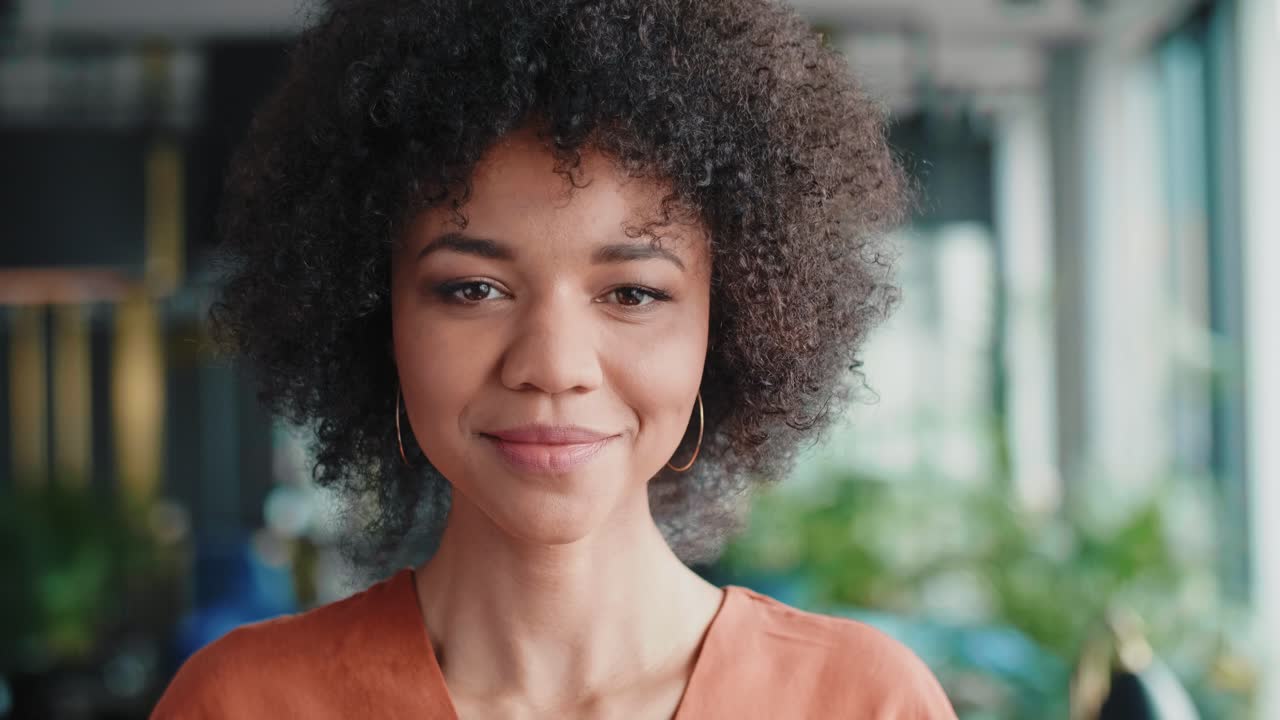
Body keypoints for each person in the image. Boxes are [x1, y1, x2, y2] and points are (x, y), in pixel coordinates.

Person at [152, 0, 956, 717]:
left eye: (633, 293)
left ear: (734, 320)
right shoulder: (243, 703)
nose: (552, 364)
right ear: (374, 316)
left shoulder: (862, 702)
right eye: (472, 288)